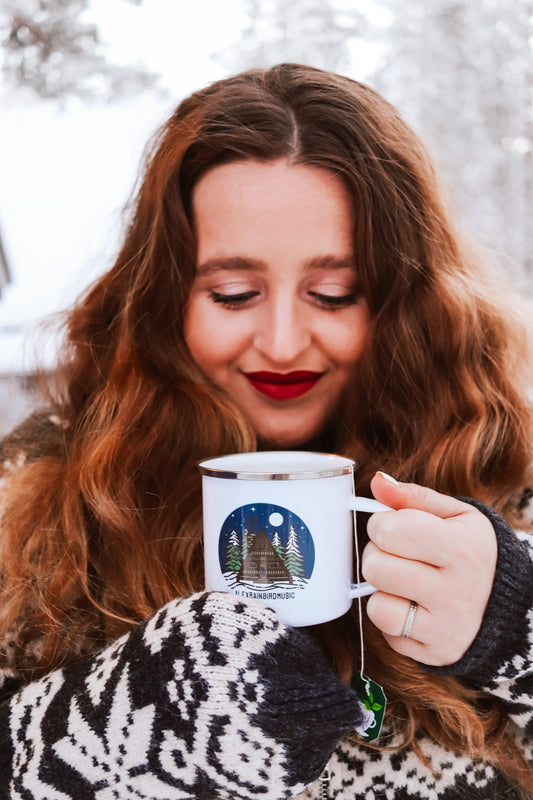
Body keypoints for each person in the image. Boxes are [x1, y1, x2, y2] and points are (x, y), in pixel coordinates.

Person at [0, 62, 532, 799]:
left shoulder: (506, 464)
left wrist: (516, 625)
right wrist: (127, 725)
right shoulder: (41, 487)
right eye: (234, 292)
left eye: (334, 293)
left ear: (405, 300)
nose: (282, 343)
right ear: (167, 298)